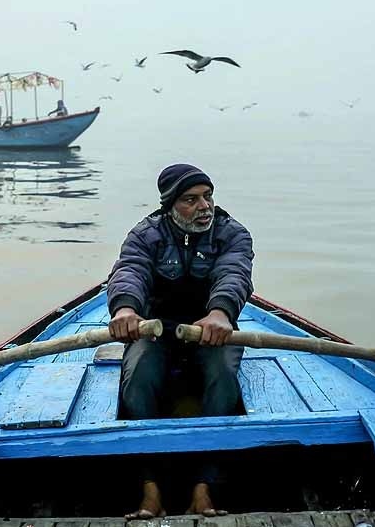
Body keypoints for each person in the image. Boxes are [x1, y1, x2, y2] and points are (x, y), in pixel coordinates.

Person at [107, 163, 254, 519]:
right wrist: (125, 309)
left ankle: (204, 487)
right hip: (155, 329)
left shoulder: (233, 233)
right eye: (191, 199)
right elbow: (130, 271)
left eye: (208, 196)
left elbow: (234, 273)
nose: (205, 206)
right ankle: (150, 488)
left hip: (213, 330)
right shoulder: (145, 234)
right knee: (139, 374)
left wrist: (220, 313)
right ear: (170, 205)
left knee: (222, 377)